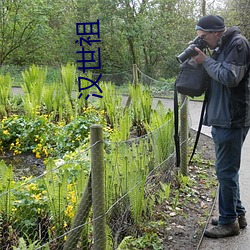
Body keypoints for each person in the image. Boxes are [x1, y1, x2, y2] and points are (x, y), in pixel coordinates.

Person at [192, 15, 250, 238]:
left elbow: (229, 77)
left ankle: (228, 223)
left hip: (232, 118)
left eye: (204, 37)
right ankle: (237, 214)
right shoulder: (221, 46)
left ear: (216, 32)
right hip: (222, 117)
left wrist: (205, 61)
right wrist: (202, 59)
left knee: (225, 171)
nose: (203, 41)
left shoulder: (238, 44)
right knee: (227, 171)